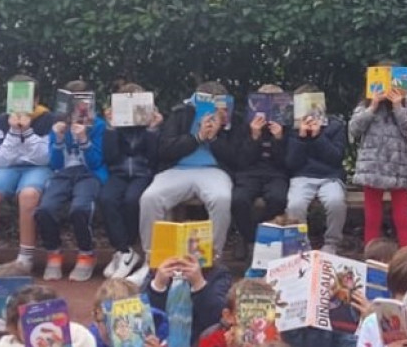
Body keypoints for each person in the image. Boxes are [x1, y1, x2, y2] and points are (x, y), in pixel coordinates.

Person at [139, 84, 239, 270]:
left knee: (222, 198)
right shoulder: (180, 114)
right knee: (150, 198)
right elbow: (165, 150)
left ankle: (212, 259)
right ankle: (152, 259)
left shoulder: (231, 120)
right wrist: (197, 137)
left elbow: (236, 159)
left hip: (214, 171)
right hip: (177, 170)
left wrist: (216, 137)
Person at [0, 79, 48, 280]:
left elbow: (44, 157)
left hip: (39, 168)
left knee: (29, 196)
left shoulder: (48, 119)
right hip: (8, 168)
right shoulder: (0, 121)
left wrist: (27, 131)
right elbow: (0, 160)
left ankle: (25, 259)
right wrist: (15, 132)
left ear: (36, 99)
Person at [39, 79, 109, 283]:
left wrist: (84, 140)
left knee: (80, 208)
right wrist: (59, 139)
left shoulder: (98, 126)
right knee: (46, 208)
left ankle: (86, 253)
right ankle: (54, 252)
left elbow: (96, 162)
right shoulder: (58, 125)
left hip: (89, 173)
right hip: (63, 173)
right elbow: (55, 163)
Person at [349, 69, 407, 244]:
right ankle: (371, 260)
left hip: (399, 168)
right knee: (372, 219)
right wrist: (372, 107)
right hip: (372, 169)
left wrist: (398, 107)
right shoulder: (365, 104)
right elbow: (354, 130)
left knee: (402, 219)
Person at [224, 84, 293, 268]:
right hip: (249, 173)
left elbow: (287, 163)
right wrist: (254, 136)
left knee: (278, 198)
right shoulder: (245, 125)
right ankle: (249, 238)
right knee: (239, 199)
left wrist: (279, 139)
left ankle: (260, 239)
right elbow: (240, 161)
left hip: (276, 174)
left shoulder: (287, 127)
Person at [99, 82, 160, 281]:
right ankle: (124, 251)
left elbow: (154, 157)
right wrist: (111, 128)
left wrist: (152, 130)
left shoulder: (152, 124)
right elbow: (110, 156)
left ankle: (128, 249)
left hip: (144, 173)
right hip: (118, 172)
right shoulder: (116, 127)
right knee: (107, 198)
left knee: (132, 200)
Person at [283, 86, 349, 254]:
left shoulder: (335, 125)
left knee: (336, 202)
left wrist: (318, 136)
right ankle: (300, 245)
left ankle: (332, 243)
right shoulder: (293, 128)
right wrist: (302, 138)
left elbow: (336, 158)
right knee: (295, 204)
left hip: (330, 176)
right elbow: (291, 163)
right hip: (302, 177)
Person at [146, 254, 236, 347]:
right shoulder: (157, 271)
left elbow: (219, 318)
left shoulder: (218, 274)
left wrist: (199, 284)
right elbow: (146, 320)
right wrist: (158, 286)